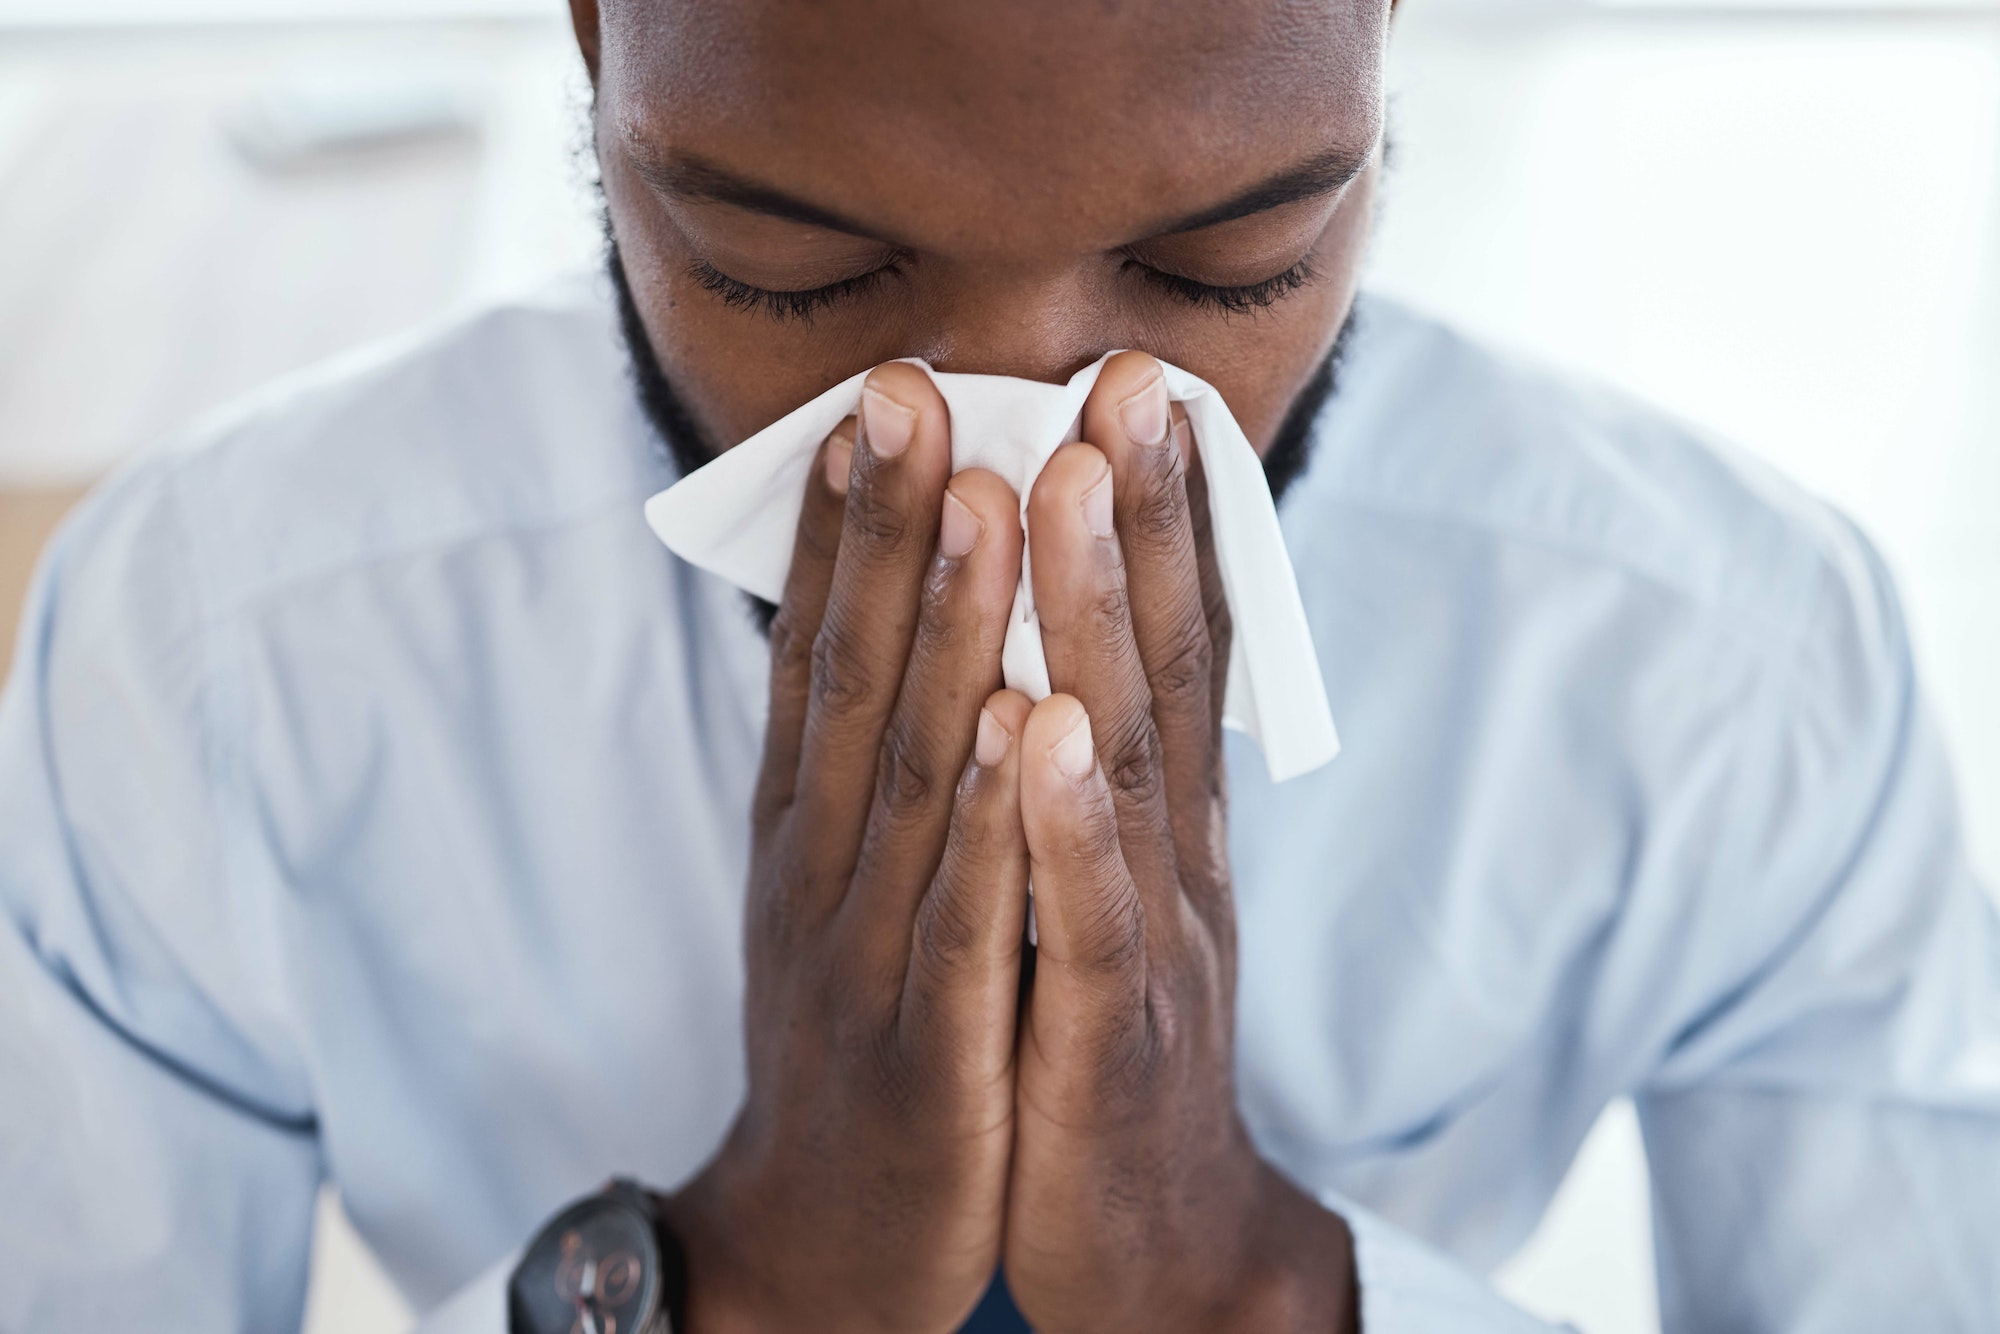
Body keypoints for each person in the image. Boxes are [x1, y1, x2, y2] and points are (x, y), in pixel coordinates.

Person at [3, 0, 1997, 1329]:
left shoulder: (1726, 674)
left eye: (1232, 269)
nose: (1010, 447)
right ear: (595, 43)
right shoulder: (215, 671)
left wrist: (1257, 1288)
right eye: (791, 270)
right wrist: (727, 1288)